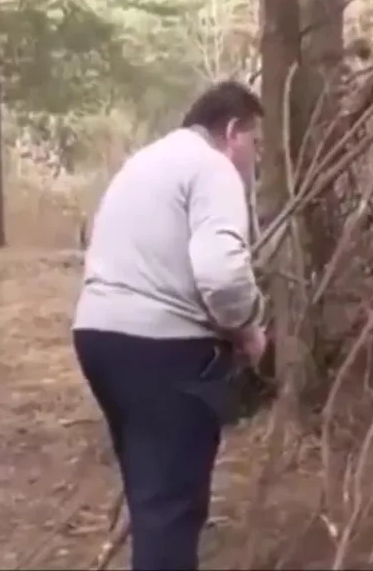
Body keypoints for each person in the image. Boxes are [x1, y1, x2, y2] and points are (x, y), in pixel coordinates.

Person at [71, 80, 267, 570]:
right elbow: (222, 276)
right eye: (256, 142)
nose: (256, 158)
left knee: (152, 498)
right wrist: (248, 328)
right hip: (162, 349)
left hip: (98, 335)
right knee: (172, 509)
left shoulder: (146, 163)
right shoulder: (214, 167)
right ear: (232, 132)